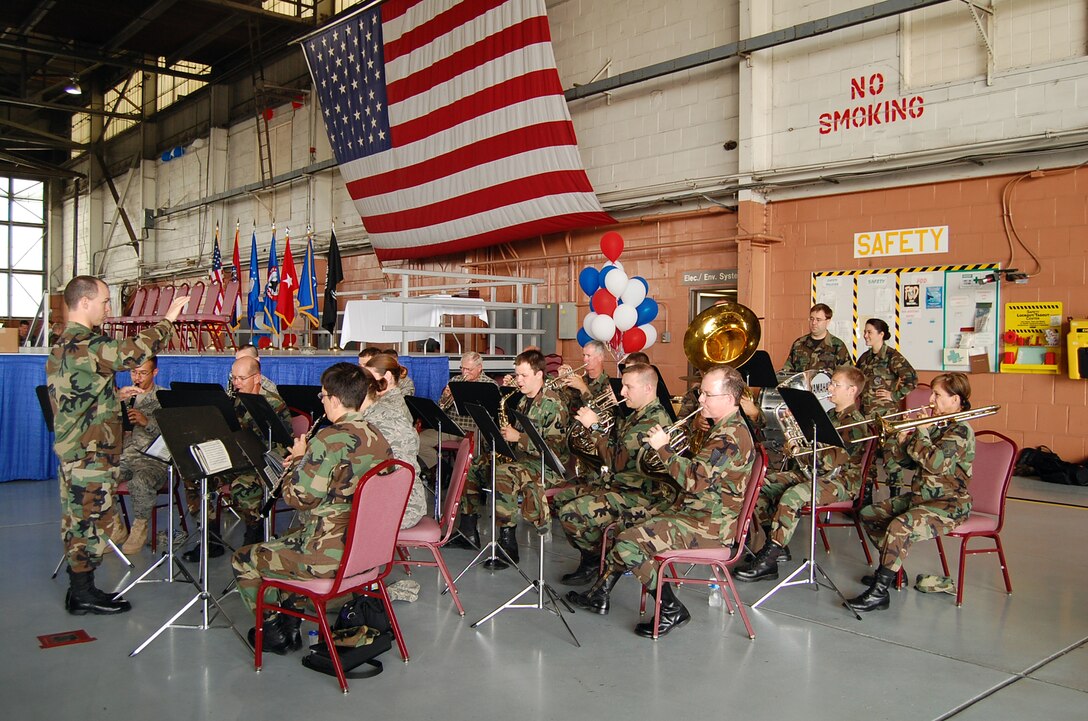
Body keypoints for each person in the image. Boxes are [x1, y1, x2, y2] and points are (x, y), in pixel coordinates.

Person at [568, 365, 755, 638]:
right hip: (694, 511)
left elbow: (692, 480)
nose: (700, 399)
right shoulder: (724, 428)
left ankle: (669, 607)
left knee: (630, 542)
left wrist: (664, 448)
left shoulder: (729, 437)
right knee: (625, 524)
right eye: (700, 392)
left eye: (706, 394)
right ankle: (601, 592)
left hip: (709, 525)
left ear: (728, 400)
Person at [47, 275, 188, 614]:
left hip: (76, 449)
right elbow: (131, 352)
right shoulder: (86, 343)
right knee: (90, 521)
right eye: (104, 301)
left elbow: (80, 394)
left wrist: (112, 394)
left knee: (78, 521)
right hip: (90, 453)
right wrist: (168, 320)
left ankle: (80, 589)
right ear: (84, 303)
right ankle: (82, 593)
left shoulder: (63, 342)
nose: (108, 308)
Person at [231, 363, 394, 653]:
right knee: (291, 537)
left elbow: (299, 498)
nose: (322, 401)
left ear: (332, 398)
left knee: (244, 558)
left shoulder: (328, 439)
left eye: (322, 396)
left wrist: (299, 460)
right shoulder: (378, 438)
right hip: (367, 551)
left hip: (327, 557)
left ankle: (272, 633)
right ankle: (292, 625)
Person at [847, 373, 975, 612]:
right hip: (922, 498)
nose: (930, 399)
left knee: (900, 526)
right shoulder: (938, 424)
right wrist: (901, 439)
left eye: (937, 395)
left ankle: (879, 592)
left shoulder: (960, 430)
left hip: (949, 504)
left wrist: (922, 432)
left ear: (955, 400)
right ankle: (894, 572)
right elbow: (907, 464)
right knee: (870, 513)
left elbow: (935, 463)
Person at [735, 366, 869, 582]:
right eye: (831, 382)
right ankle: (776, 544)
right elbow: (812, 452)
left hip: (841, 481)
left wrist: (800, 445)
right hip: (816, 473)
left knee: (793, 496)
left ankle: (769, 559)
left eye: (835, 384)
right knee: (761, 484)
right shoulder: (830, 415)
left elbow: (829, 461)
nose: (829, 387)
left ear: (852, 390)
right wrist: (795, 437)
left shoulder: (856, 424)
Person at [554, 363, 674, 585]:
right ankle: (595, 558)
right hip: (618, 484)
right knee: (561, 499)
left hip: (638, 493)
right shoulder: (637, 414)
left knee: (572, 514)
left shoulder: (651, 421)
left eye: (628, 387)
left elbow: (614, 462)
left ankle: (598, 561)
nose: (622, 392)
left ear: (648, 388)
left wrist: (595, 428)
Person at [184, 355, 293, 562]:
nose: (236, 383)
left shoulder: (271, 403)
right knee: (195, 475)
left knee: (242, 487)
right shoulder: (234, 398)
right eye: (234, 378)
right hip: (237, 458)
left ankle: (254, 533)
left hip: (262, 461)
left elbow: (278, 445)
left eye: (241, 378)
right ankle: (209, 536)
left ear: (257, 378)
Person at [467, 349, 569, 566]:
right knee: (477, 463)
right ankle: (468, 529)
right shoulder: (523, 400)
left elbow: (554, 449)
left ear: (539, 374)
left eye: (523, 376)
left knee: (504, 473)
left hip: (546, 466)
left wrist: (518, 437)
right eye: (517, 375)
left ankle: (508, 544)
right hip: (524, 459)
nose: (518, 380)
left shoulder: (554, 404)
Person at [363, 353, 427, 529]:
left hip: (399, 498)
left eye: (370, 377)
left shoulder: (390, 409)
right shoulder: (383, 403)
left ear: (388, 377)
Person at [856, 318, 917, 495]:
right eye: (865, 332)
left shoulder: (892, 356)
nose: (865, 335)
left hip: (887, 417)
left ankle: (894, 496)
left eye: (869, 332)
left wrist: (894, 395)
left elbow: (912, 378)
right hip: (866, 417)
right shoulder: (865, 358)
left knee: (891, 458)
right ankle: (864, 498)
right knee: (868, 458)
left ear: (881, 334)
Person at [117, 357, 169, 554]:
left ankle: (139, 527)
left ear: (154, 372)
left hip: (153, 459)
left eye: (143, 373)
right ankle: (115, 527)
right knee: (99, 478)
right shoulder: (124, 395)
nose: (137, 377)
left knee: (140, 481)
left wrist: (146, 421)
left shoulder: (164, 397)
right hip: (126, 454)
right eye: (133, 373)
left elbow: (172, 431)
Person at [417, 351, 496, 478]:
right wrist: (445, 396)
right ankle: (442, 470)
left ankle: (469, 482)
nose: (464, 372)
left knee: (474, 452)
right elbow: (442, 407)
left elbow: (491, 414)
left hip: (475, 429)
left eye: (468, 369)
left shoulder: (489, 385)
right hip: (452, 426)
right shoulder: (455, 380)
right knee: (418, 441)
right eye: (462, 368)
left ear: (479, 368)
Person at [782, 303, 852, 374]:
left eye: (818, 320)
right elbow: (787, 372)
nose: (814, 323)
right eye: (812, 319)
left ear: (827, 321)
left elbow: (847, 375)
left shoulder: (838, 346)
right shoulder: (799, 344)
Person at [559, 340, 612, 415]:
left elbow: (600, 412)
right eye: (584, 355)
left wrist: (583, 388)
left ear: (600, 357)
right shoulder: (581, 379)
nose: (584, 359)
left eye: (588, 356)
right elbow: (562, 403)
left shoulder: (609, 384)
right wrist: (561, 381)